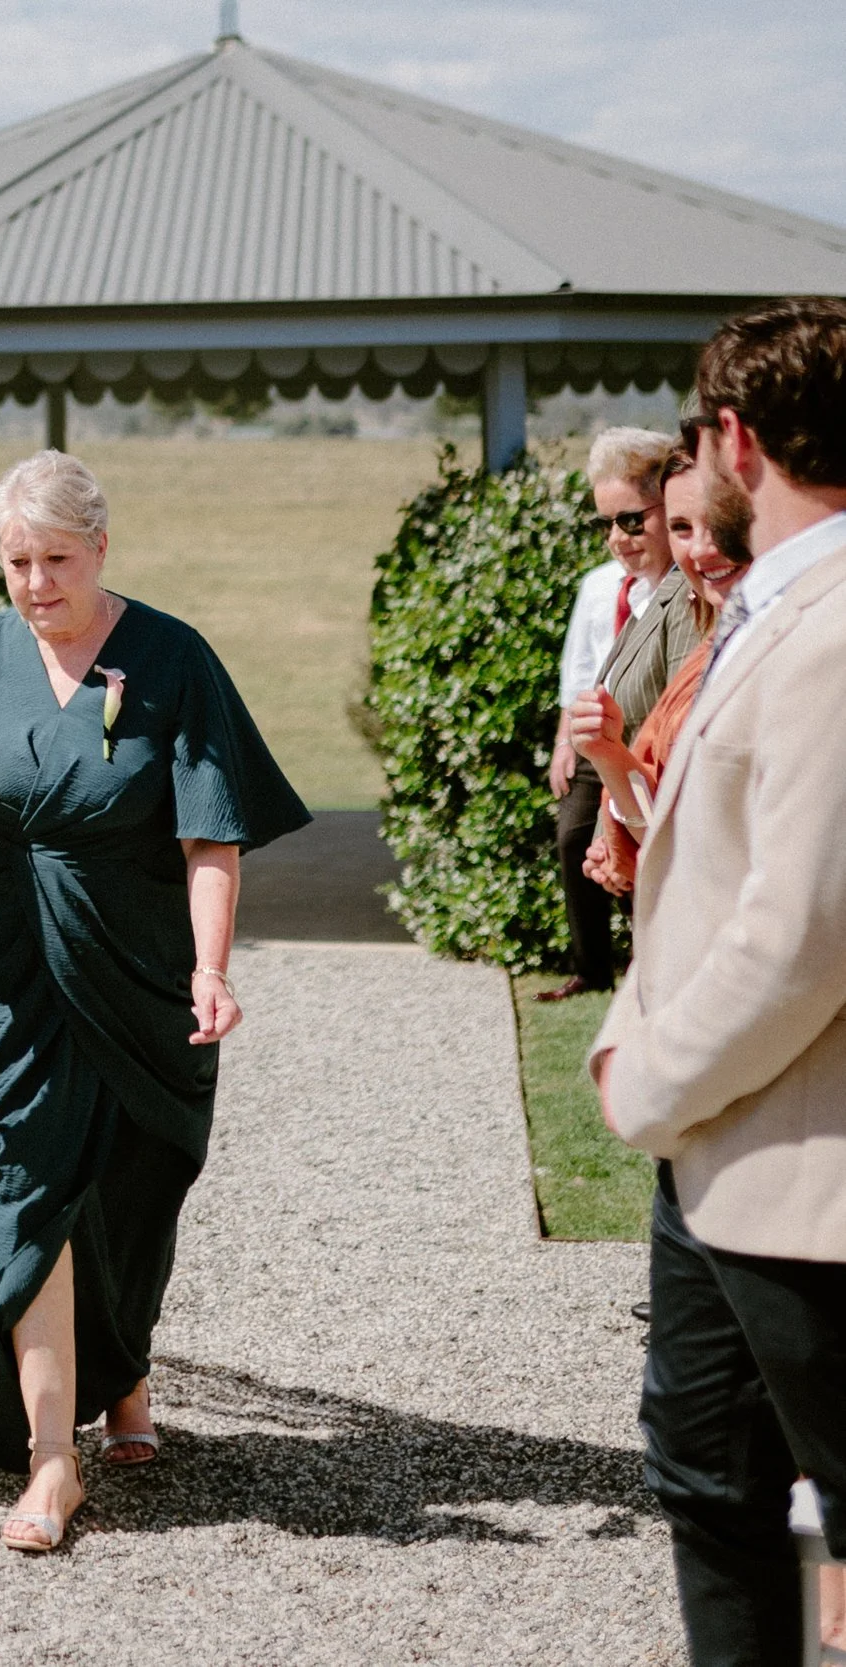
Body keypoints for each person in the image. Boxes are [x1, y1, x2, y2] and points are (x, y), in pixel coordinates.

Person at [0, 449, 306, 1552]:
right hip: (0, 966)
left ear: (101, 548)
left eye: (55, 559)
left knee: (133, 1185)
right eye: (15, 561)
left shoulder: (172, 657)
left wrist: (210, 967)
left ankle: (122, 1364)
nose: (35, 583)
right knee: (30, 1187)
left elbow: (209, 830)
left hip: (137, 967)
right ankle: (52, 1458)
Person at [591, 296, 846, 1667]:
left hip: (812, 1164)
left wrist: (645, 1071)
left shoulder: (835, 628)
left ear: (733, 439)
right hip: (722, 1158)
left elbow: (802, 925)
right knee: (706, 1476)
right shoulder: (768, 605)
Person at [540, 428, 682, 1001]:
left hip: (648, 754)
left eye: (630, 521)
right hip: (597, 746)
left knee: (642, 860)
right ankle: (592, 967)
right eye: (606, 525)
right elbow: (581, 672)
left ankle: (644, 965)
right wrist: (564, 743)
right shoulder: (602, 588)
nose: (618, 539)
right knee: (578, 842)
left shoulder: (685, 591)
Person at [569, 428, 742, 893]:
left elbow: (681, 777)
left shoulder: (699, 605)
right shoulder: (661, 595)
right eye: (682, 528)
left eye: (629, 521)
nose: (614, 539)